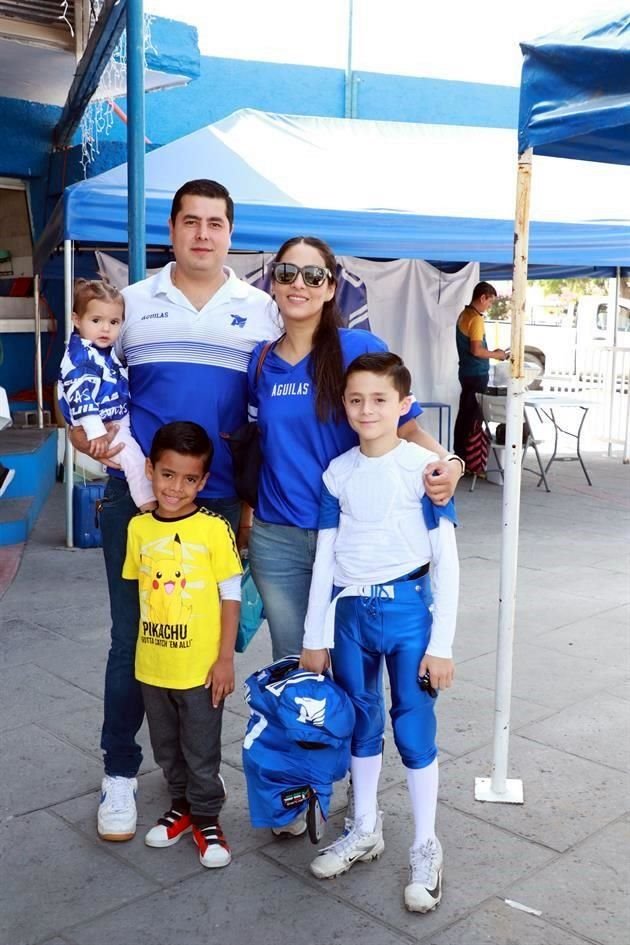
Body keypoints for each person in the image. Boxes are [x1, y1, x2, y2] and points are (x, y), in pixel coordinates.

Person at [68, 179, 278, 842]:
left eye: (216, 222)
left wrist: (247, 503)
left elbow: (265, 413)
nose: (203, 234)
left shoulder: (262, 310)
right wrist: (82, 436)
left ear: (230, 232)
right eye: (191, 221)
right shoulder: (129, 305)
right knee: (130, 636)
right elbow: (77, 384)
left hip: (215, 502)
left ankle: (191, 772)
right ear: (172, 228)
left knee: (202, 641)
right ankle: (120, 775)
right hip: (135, 501)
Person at [247, 236, 463, 664]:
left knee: (349, 664)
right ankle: (304, 735)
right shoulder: (260, 360)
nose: (298, 284)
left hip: (351, 534)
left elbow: (410, 428)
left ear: (330, 288)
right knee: (297, 661)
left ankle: (357, 736)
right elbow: (259, 445)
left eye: (313, 275)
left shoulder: (359, 349)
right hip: (278, 538)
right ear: (273, 282)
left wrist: (450, 462)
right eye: (287, 273)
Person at [300, 352, 458, 913]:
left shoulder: (426, 469)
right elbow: (324, 560)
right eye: (356, 399)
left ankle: (425, 845)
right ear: (344, 405)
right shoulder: (337, 473)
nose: (367, 409)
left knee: (414, 729)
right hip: (350, 617)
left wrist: (441, 645)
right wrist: (313, 635)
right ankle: (364, 825)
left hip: (409, 614)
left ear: (404, 404)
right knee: (361, 723)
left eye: (380, 399)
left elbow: (448, 561)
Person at [122, 421, 241, 867]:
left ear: (204, 481)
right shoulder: (137, 529)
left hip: (201, 668)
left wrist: (225, 659)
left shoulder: (213, 529)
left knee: (201, 747)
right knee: (166, 747)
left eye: (190, 479)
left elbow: (230, 595)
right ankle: (182, 806)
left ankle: (208, 817)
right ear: (150, 469)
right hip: (152, 665)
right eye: (168, 474)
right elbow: (140, 596)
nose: (176, 487)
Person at [58, 279, 155, 511]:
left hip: (116, 413)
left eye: (114, 322)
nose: (105, 328)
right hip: (102, 421)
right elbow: (82, 399)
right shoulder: (80, 358)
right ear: (76, 320)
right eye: (96, 320)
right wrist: (96, 433)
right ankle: (149, 506)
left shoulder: (101, 350)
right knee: (133, 459)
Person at [452, 281, 508, 459]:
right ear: (483, 297)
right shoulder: (476, 319)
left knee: (465, 415)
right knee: (474, 419)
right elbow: (476, 350)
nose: (490, 306)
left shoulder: (464, 314)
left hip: (466, 372)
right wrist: (497, 355)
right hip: (476, 373)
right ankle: (469, 460)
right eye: (490, 302)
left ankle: (460, 454)